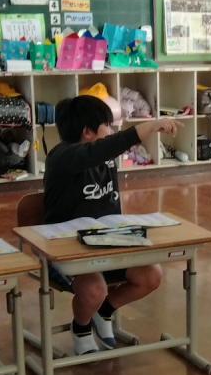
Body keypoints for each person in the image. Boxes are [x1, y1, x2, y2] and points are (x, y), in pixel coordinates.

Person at [44, 95, 175, 355]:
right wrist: (149, 126)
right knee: (95, 289)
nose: (113, 131)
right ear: (88, 132)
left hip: (107, 243)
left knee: (151, 275)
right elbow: (103, 149)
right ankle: (81, 327)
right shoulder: (62, 157)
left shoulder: (104, 158)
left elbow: (105, 152)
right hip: (65, 250)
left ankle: (104, 311)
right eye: (108, 125)